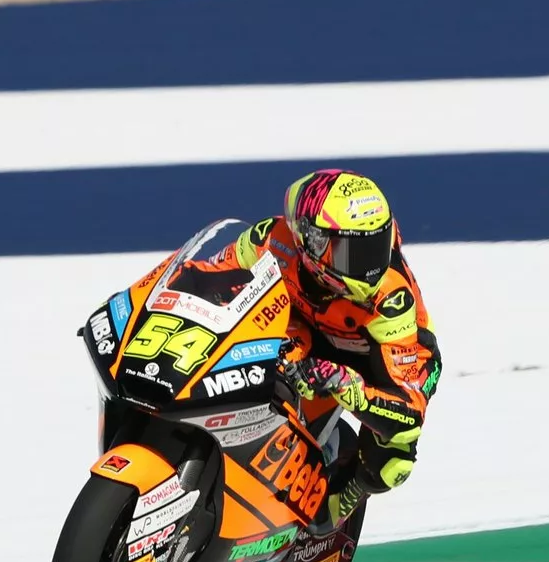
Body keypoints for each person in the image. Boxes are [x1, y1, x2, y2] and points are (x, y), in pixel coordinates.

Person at [186, 169, 442, 531]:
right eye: (354, 252)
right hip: (303, 329)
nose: (371, 266)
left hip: (379, 358)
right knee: (259, 370)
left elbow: (408, 409)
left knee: (393, 460)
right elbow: (203, 274)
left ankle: (343, 501)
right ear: (312, 241)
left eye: (376, 246)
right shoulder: (270, 240)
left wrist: (349, 387)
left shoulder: (391, 298)